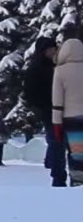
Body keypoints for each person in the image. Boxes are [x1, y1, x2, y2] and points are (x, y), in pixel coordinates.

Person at [23, 36, 66, 186]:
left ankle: (55, 166)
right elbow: (30, 93)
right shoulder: (35, 69)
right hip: (49, 112)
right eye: (50, 49)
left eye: (54, 49)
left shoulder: (59, 66)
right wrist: (42, 107)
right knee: (56, 142)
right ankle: (57, 174)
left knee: (60, 142)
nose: (53, 52)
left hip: (62, 109)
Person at [53, 36, 83, 186]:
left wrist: (56, 124)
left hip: (70, 119)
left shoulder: (60, 71)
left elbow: (57, 102)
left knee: (76, 152)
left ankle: (77, 181)